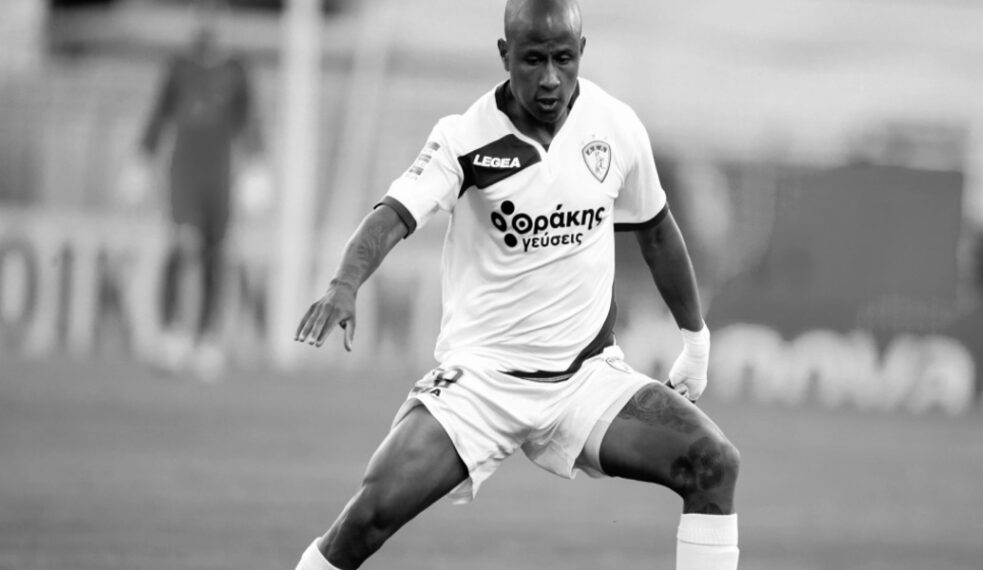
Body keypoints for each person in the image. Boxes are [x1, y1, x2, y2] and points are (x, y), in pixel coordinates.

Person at [293, 1, 740, 568]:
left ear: (582, 53)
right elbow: (392, 216)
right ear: (505, 55)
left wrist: (695, 341)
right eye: (533, 60)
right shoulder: (464, 138)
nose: (550, 78)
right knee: (368, 517)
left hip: (585, 379)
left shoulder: (616, 126)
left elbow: (656, 233)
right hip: (484, 384)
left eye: (563, 59)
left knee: (713, 463)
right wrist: (344, 284)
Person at [137, 4, 264, 376]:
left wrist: (257, 165)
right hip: (185, 170)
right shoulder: (179, 66)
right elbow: (158, 114)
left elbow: (249, 121)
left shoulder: (236, 70)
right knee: (182, 245)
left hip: (219, 173)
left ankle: (207, 339)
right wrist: (141, 158)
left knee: (215, 253)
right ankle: (171, 332)